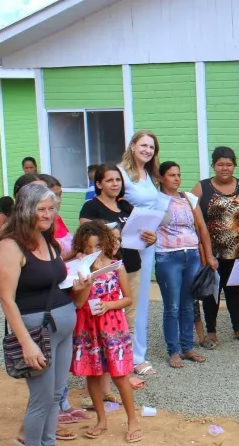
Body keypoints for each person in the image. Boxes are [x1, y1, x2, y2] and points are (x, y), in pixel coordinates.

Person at [0, 183, 90, 446]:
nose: (48, 214)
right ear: (24, 210)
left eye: (51, 208)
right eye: (41, 209)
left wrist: (79, 285)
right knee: (41, 400)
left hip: (62, 329)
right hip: (37, 332)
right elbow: (6, 299)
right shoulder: (10, 246)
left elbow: (54, 280)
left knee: (55, 396)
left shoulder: (46, 238)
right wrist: (27, 344)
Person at [67, 221, 142, 442]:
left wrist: (109, 305)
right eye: (88, 247)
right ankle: (101, 419)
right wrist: (87, 280)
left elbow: (128, 298)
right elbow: (79, 304)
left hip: (113, 327)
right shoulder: (77, 270)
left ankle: (133, 420)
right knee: (92, 374)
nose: (93, 251)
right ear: (81, 247)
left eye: (98, 245)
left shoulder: (117, 266)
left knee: (120, 375)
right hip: (88, 328)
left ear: (107, 244)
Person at [79, 163, 150, 391]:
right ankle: (104, 382)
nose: (115, 184)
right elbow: (86, 239)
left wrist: (150, 236)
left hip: (131, 266)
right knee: (101, 327)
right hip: (103, 274)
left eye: (118, 180)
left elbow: (140, 233)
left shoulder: (126, 206)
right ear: (98, 184)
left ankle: (124, 370)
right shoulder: (91, 208)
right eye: (109, 180)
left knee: (127, 321)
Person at [191, 146, 239, 348]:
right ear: (213, 165)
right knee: (213, 290)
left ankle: (238, 328)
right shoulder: (202, 188)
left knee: (234, 290)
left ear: (234, 165)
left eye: (228, 164)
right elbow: (192, 219)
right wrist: (205, 251)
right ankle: (211, 331)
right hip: (212, 253)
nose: (224, 168)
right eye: (220, 164)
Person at [155, 161, 212, 367]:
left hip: (192, 255)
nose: (177, 178)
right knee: (172, 305)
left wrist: (209, 254)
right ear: (162, 178)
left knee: (189, 304)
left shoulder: (189, 198)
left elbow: (201, 227)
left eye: (178, 174)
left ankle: (188, 347)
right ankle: (173, 351)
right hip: (168, 256)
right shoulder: (156, 200)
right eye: (171, 175)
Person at [119, 130, 162, 377]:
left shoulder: (149, 176)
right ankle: (121, 354)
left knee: (141, 300)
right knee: (127, 297)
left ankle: (137, 355)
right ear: (133, 145)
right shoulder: (121, 174)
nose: (147, 150)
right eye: (144, 145)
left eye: (152, 147)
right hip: (127, 243)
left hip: (147, 243)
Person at [37, 174, 74, 259]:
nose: (59, 200)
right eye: (54, 195)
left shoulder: (57, 218)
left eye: (60, 195)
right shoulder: (41, 224)